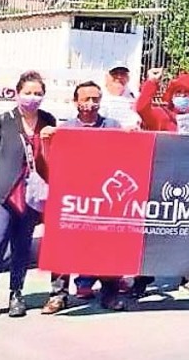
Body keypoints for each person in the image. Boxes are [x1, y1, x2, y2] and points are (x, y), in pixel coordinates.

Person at [0, 70, 56, 320]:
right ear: (17, 94)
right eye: (28, 92)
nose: (32, 97)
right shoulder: (2, 121)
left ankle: (16, 294)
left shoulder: (48, 120)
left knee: (22, 246)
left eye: (37, 93)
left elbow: (54, 155)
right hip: (5, 192)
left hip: (33, 194)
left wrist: (51, 139)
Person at [42, 81, 126, 314]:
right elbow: (51, 164)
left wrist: (131, 137)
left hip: (103, 199)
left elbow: (126, 157)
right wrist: (47, 141)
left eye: (95, 99)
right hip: (73, 198)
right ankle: (58, 296)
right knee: (63, 246)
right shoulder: (65, 129)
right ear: (75, 102)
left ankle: (109, 295)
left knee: (106, 248)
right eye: (86, 99)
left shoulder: (113, 127)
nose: (91, 103)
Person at [132, 67, 189, 298]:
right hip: (159, 178)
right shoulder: (160, 114)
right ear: (172, 94)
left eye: (187, 93)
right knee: (152, 229)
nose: (183, 97)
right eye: (179, 92)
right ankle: (143, 278)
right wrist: (151, 83)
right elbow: (141, 108)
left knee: (188, 229)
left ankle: (188, 276)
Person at [100, 64, 141, 129]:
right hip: (104, 132)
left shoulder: (135, 96)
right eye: (115, 73)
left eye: (123, 74)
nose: (119, 77)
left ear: (128, 78)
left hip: (130, 132)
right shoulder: (99, 94)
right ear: (107, 77)